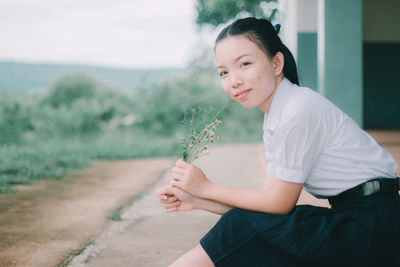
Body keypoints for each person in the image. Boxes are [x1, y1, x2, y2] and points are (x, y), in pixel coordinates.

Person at [155, 17, 400, 267]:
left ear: (276, 63)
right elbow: (267, 207)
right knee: (245, 224)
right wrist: (198, 201)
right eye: (224, 72)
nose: (234, 80)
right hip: (360, 221)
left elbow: (279, 203)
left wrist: (206, 187)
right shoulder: (278, 114)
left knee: (242, 227)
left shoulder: (298, 110)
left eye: (245, 64)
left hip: (371, 228)